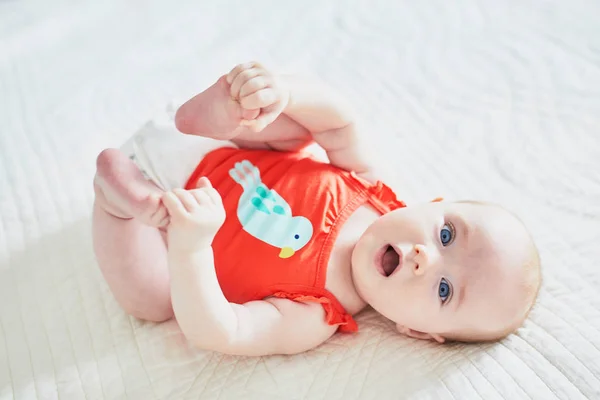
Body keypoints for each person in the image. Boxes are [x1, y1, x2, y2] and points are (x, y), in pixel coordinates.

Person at [92, 61, 541, 356]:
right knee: (301, 136)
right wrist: (284, 93)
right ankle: (226, 111)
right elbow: (340, 120)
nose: (427, 258)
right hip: (212, 145)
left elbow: (224, 331)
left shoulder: (316, 315)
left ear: (417, 331)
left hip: (164, 219)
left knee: (152, 299)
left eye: (444, 290)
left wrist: (191, 249)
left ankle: (117, 202)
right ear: (433, 205)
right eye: (446, 235)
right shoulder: (371, 191)